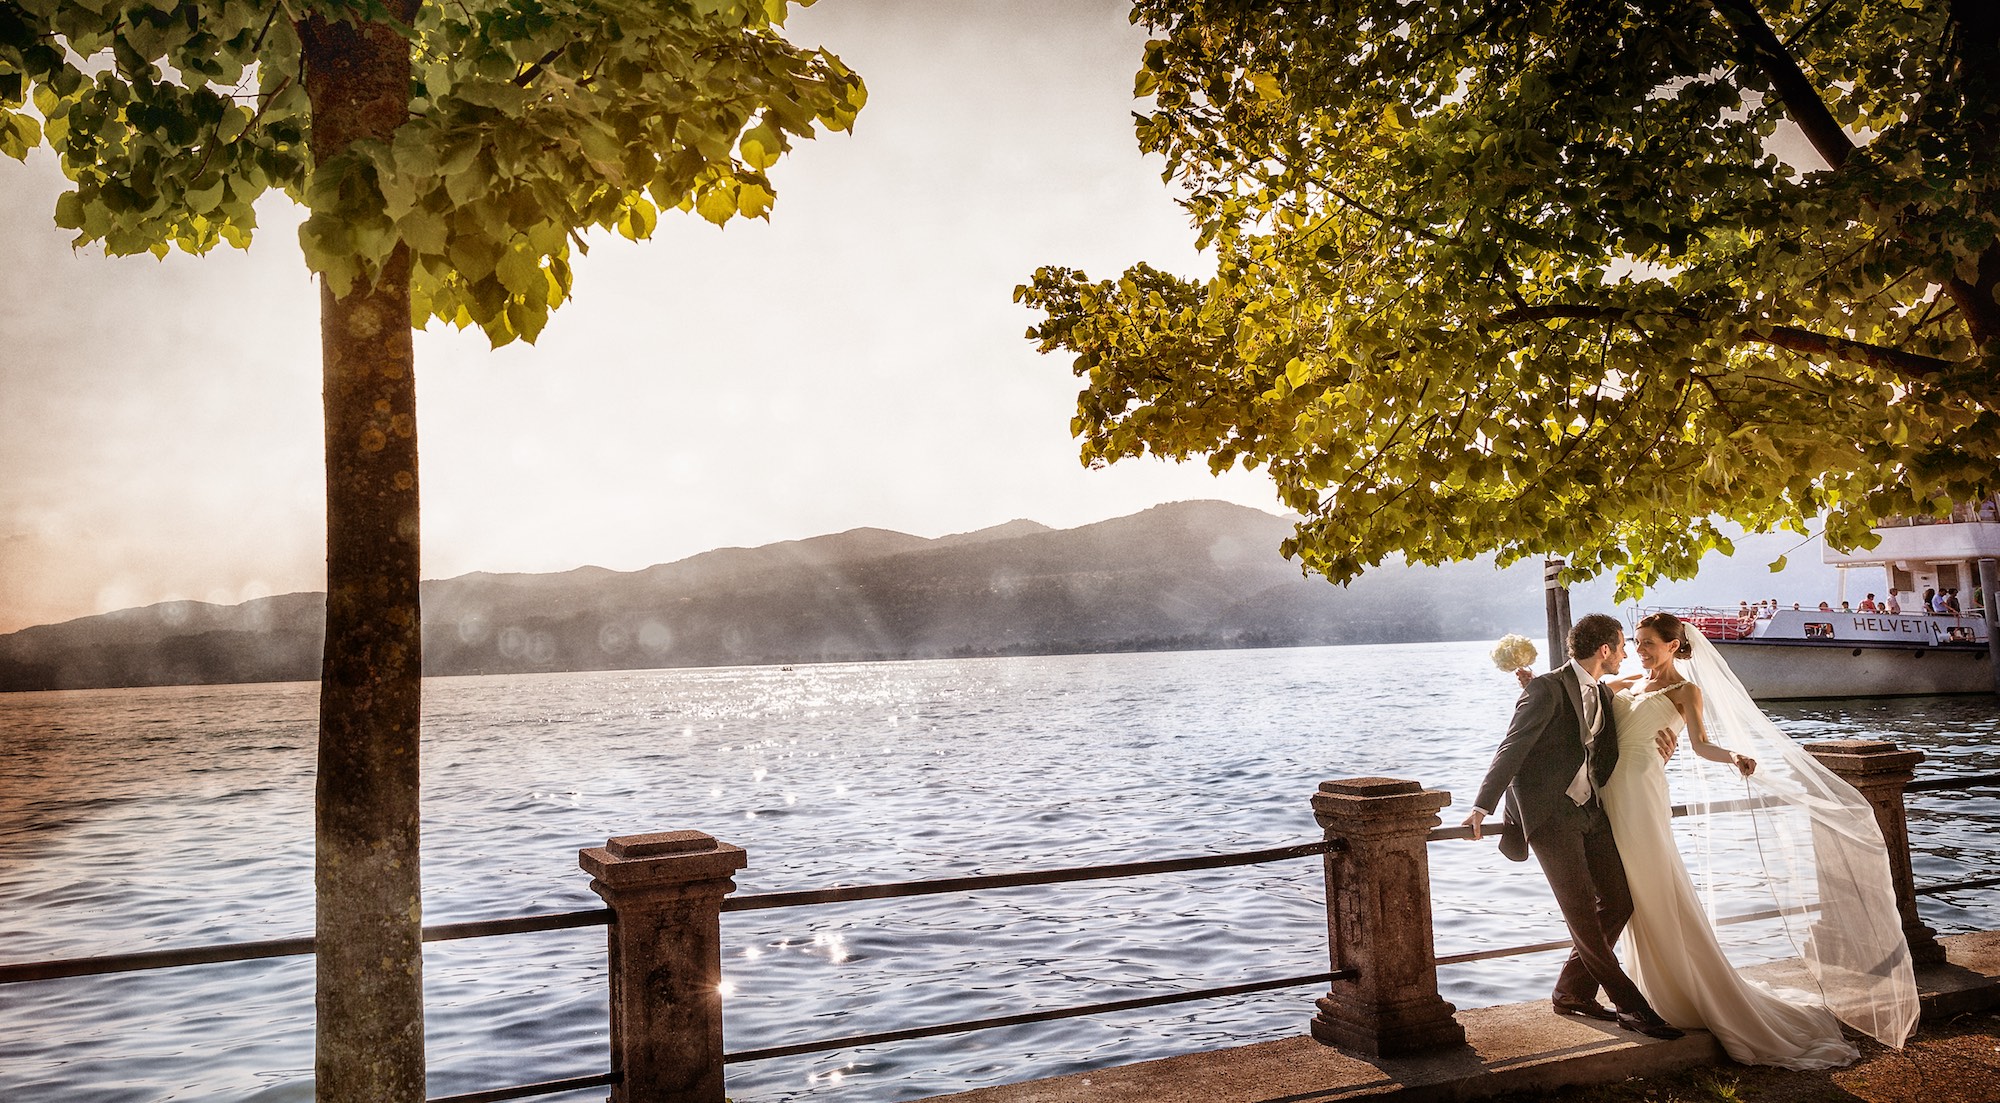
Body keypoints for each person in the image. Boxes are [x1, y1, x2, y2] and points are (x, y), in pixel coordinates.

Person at [1599, 612, 1917, 1065]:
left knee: (1653, 887)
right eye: (1638, 640)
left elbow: (1702, 744)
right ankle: (1646, 986)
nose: (1642, 649)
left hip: (1643, 794)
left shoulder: (1686, 691)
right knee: (1626, 889)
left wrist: (1734, 756)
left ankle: (1685, 989)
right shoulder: (1619, 685)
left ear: (1674, 645)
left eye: (1650, 642)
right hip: (1611, 791)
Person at [1462, 614, 1684, 1040]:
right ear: (1604, 650)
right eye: (1622, 646)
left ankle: (1571, 992)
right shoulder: (1545, 688)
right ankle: (1632, 1007)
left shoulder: (1602, 690)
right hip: (1549, 815)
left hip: (1591, 810)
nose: (1625, 653)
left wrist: (1663, 750)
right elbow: (1512, 746)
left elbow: (1632, 722)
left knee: (1619, 899)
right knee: (1582, 915)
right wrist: (1481, 807)